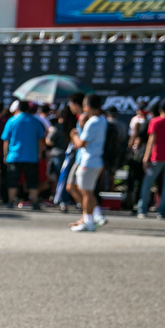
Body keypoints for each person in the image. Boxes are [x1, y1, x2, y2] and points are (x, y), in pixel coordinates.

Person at [67, 94, 108, 232]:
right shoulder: (102, 119)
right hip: (96, 160)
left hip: (88, 160)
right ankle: (91, 219)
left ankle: (89, 222)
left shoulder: (93, 121)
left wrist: (74, 136)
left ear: (88, 106)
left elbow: (80, 143)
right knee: (86, 191)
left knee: (86, 193)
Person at [137, 98, 165, 219]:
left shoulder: (155, 122)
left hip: (156, 157)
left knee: (147, 183)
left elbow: (151, 141)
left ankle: (142, 210)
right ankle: (161, 211)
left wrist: (145, 158)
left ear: (160, 109)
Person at [0, 100, 44, 209]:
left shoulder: (12, 120)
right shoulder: (35, 121)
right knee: (32, 181)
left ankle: (11, 202)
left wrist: (5, 155)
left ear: (18, 108)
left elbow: (6, 140)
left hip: (14, 156)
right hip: (31, 156)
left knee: (12, 180)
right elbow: (41, 140)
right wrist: (39, 153)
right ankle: (35, 202)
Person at [46, 108, 75, 212]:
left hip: (58, 155)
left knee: (60, 179)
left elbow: (49, 141)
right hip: (71, 156)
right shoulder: (74, 127)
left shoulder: (57, 127)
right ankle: (69, 201)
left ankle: (62, 201)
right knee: (69, 180)